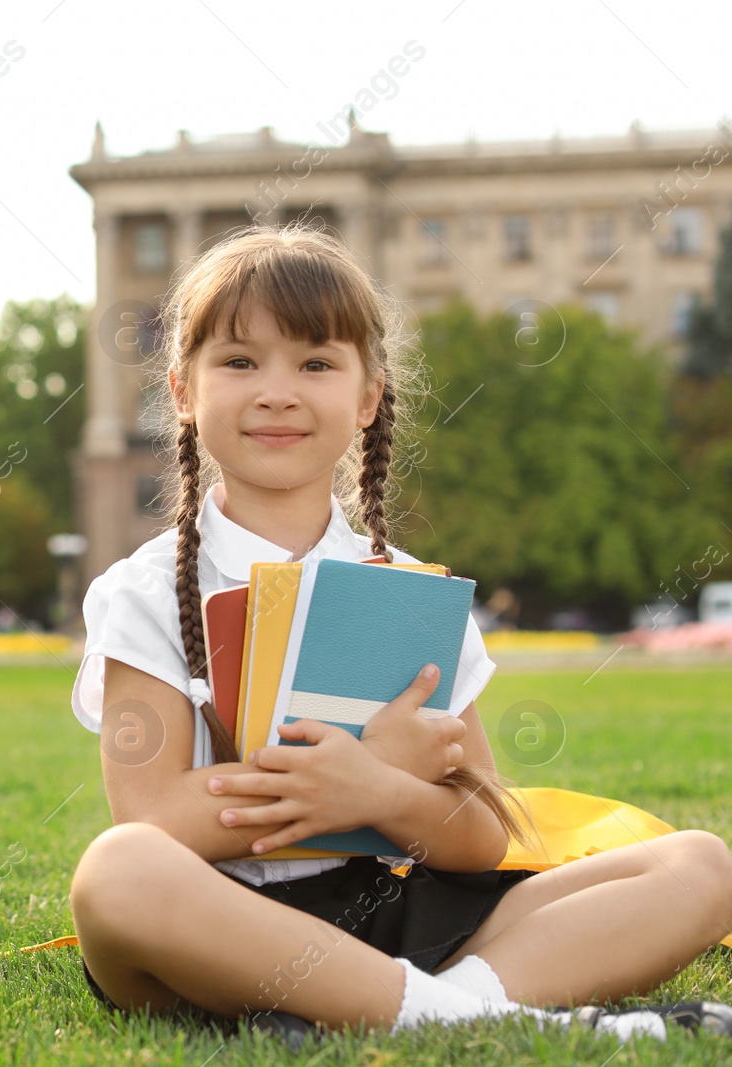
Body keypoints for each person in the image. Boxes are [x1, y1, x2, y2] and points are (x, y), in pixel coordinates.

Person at [67, 223, 732, 1047]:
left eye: (316, 363)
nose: (277, 391)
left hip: (397, 912)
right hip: (224, 929)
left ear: (369, 396)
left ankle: (410, 1009)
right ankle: (462, 1016)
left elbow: (483, 835)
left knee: (700, 864)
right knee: (116, 870)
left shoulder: (412, 595)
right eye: (239, 362)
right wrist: (329, 784)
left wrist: (380, 792)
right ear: (182, 390)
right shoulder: (143, 590)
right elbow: (154, 818)